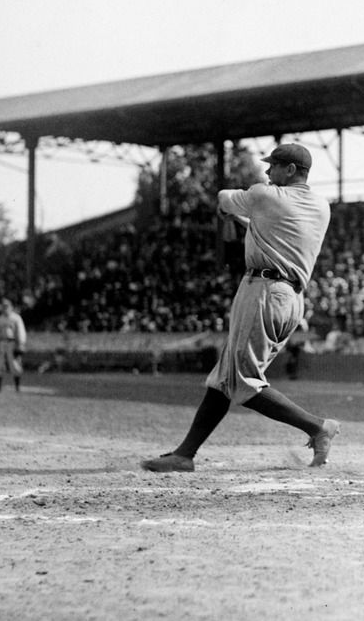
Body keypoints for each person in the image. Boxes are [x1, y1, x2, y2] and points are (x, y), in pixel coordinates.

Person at [141, 143, 340, 472]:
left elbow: (223, 196)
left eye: (273, 165)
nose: (267, 171)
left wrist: (227, 211)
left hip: (262, 291)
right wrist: (243, 219)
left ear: (290, 170)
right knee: (224, 378)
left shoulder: (265, 195)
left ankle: (318, 427)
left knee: (245, 382)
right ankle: (185, 453)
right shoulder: (320, 205)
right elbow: (274, 230)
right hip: (290, 299)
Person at [0, 298, 26, 393]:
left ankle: (17, 387)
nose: (5, 308)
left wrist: (21, 344)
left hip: (13, 343)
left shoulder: (16, 318)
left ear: (11, 307)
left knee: (15, 364)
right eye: (3, 306)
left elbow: (21, 332)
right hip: (1, 343)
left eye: (7, 306)